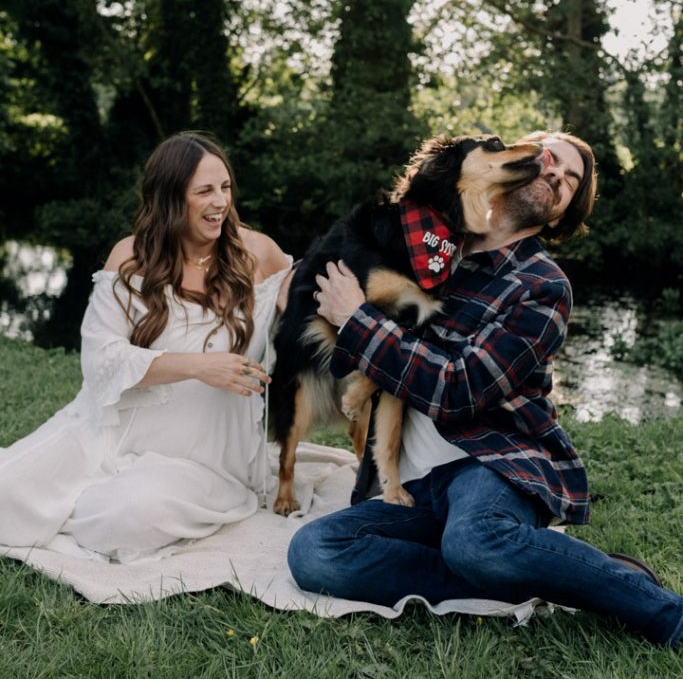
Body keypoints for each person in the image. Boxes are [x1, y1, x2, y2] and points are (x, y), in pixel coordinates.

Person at [288, 131, 683, 647]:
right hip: (413, 484)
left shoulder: (542, 286)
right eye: (549, 161)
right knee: (316, 551)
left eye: (569, 181)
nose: (555, 177)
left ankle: (660, 610)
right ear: (515, 161)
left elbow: (459, 387)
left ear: (562, 215)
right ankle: (536, 571)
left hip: (492, 464)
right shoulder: (428, 244)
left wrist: (357, 319)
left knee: (476, 542)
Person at [0, 133, 291, 563]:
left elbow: (314, 291)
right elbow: (101, 360)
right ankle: (65, 494)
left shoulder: (256, 253)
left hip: (206, 457)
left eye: (225, 187)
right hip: (112, 429)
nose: (221, 202)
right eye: (205, 191)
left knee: (128, 516)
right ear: (172, 197)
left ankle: (76, 505)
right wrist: (199, 366)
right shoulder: (132, 256)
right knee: (5, 492)